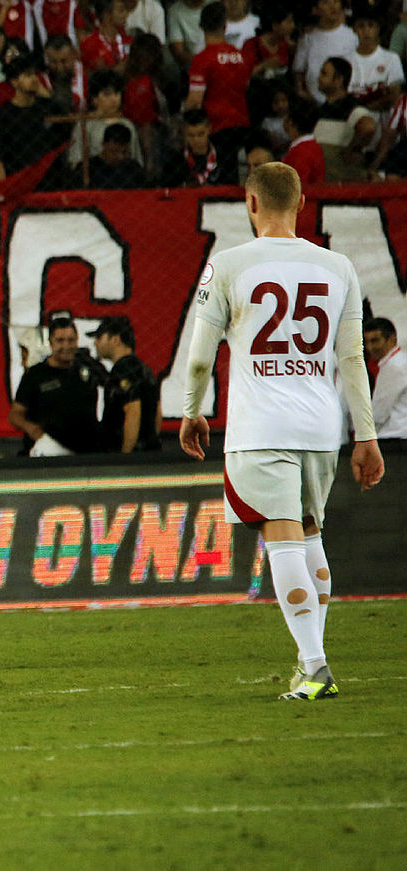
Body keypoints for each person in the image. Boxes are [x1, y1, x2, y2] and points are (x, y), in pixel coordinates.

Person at [180, 162, 384, 700]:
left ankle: (314, 666)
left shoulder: (228, 265)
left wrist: (191, 410)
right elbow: (353, 360)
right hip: (321, 427)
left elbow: (200, 358)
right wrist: (366, 436)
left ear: (251, 203)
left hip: (260, 426)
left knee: (282, 536)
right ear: (300, 203)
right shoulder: (337, 268)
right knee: (310, 535)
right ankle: (312, 662)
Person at [9, 315, 102, 455]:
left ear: (77, 341)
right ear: (50, 342)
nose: (66, 346)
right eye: (60, 340)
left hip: (87, 450)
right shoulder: (35, 375)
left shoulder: (87, 369)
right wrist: (34, 431)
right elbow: (15, 415)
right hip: (51, 448)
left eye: (71, 340)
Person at [183, 2, 253, 158]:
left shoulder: (202, 59)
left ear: (201, 25)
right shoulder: (240, 56)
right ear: (225, 25)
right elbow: (245, 86)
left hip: (216, 127)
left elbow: (195, 101)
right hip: (242, 123)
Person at [89, 315, 158, 452]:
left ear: (115, 340)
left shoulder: (122, 371)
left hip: (129, 456)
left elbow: (132, 410)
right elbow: (157, 411)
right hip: (150, 453)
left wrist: (125, 456)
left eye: (99, 338)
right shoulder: (145, 369)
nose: (95, 343)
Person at [364, 318, 405, 440]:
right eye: (367, 342)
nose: (370, 347)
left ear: (392, 339)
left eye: (375, 341)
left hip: (394, 437)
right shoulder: (399, 362)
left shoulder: (394, 366)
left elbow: (378, 413)